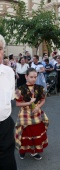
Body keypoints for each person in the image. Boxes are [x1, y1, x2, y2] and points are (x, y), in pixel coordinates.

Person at [15, 68, 49, 160]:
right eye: (31, 77)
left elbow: (43, 100)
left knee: (36, 134)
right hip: (25, 115)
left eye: (35, 77)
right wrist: (29, 103)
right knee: (25, 134)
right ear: (26, 76)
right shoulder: (20, 89)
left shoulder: (39, 88)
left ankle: (33, 152)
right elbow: (17, 104)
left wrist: (38, 107)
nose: (33, 79)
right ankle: (22, 151)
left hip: (37, 114)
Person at [0, 34, 17, 170]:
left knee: (7, 162)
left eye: (0, 48)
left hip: (5, 124)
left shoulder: (9, 72)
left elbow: (10, 98)